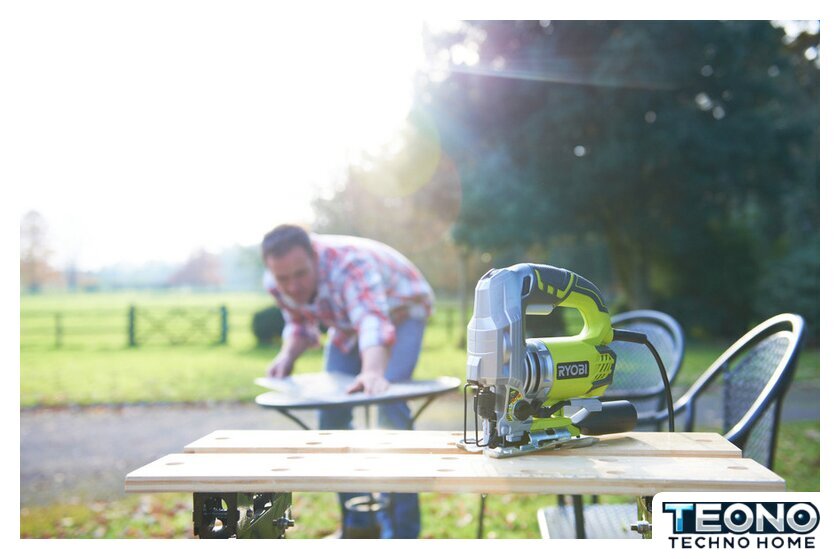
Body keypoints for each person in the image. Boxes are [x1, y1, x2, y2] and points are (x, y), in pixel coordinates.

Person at [261, 224, 434, 539]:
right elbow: (299, 323)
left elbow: (371, 320)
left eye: (300, 274)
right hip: (346, 325)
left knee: (388, 404)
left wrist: (372, 372)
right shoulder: (276, 281)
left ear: (314, 256)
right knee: (331, 415)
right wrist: (287, 356)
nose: (293, 286)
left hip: (402, 309)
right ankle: (358, 525)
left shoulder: (349, 265)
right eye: (284, 278)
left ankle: (402, 533)